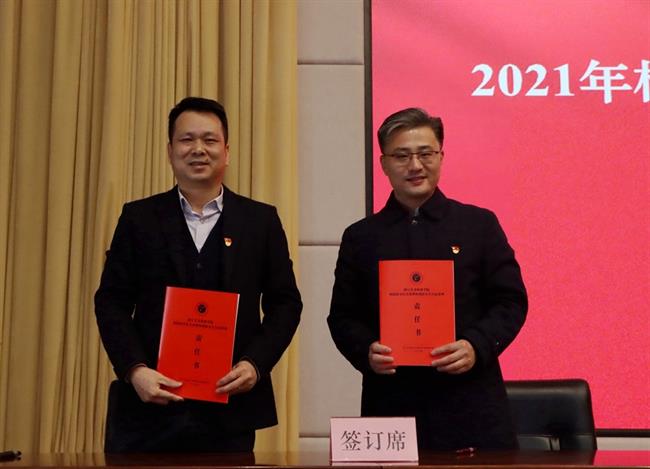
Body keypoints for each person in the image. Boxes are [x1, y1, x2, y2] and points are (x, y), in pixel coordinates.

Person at [95, 97, 302, 453]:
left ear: (227, 151)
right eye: (186, 139)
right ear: (170, 151)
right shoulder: (138, 218)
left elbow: (286, 304)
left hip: (230, 410)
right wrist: (134, 370)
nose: (198, 149)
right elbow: (111, 302)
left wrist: (255, 364)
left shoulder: (260, 221)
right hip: (149, 408)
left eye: (209, 140)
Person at [327, 108, 527, 451]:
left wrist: (475, 345)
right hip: (391, 404)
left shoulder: (478, 225)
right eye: (402, 156)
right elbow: (343, 316)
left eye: (425, 153)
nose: (415, 165)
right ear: (384, 164)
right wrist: (367, 350)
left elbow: (510, 301)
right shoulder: (361, 237)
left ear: (441, 157)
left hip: (471, 404)